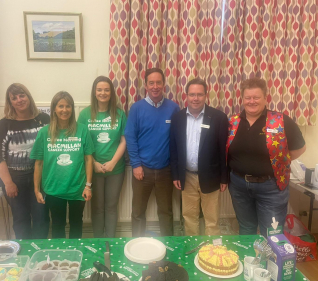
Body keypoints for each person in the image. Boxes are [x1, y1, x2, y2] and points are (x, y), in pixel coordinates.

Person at [227, 77, 306, 236]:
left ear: (265, 98)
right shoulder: (233, 122)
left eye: (256, 97)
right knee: (246, 229)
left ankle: (270, 261)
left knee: (272, 233)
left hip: (271, 188)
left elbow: (300, 148)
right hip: (239, 186)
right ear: (242, 99)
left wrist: (279, 161)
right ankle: (250, 259)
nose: (252, 101)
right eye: (248, 97)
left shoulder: (280, 121)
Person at [30, 91, 94, 239]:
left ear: (72, 109)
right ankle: (60, 258)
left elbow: (89, 159)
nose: (64, 110)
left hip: (77, 188)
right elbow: (38, 163)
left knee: (76, 224)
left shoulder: (82, 130)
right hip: (53, 189)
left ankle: (75, 257)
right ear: (54, 109)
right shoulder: (44, 133)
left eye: (68, 106)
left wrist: (88, 186)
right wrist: (36, 190)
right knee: (58, 225)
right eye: (60, 106)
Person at [170, 78, 229, 236]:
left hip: (211, 177)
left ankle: (211, 254)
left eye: (199, 94)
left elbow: (224, 150)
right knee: (189, 217)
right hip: (187, 176)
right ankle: (192, 250)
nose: (195, 98)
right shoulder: (178, 118)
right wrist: (175, 174)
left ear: (206, 95)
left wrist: (224, 178)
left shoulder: (219, 118)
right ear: (186, 96)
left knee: (212, 219)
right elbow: (173, 148)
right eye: (192, 94)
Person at [125, 68, 180, 237]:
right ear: (146, 85)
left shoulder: (173, 108)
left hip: (165, 170)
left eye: (158, 82)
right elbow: (130, 137)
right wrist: (136, 165)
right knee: (138, 212)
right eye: (151, 83)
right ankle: (137, 245)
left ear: (163, 84)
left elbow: (178, 139)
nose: (155, 86)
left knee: (166, 212)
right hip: (142, 170)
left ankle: (169, 246)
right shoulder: (137, 108)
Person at [0, 83, 50, 239]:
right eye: (14, 98)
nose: (19, 100)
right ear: (10, 102)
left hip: (40, 178)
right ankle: (25, 258)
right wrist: (8, 183)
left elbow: (53, 146)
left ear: (28, 96)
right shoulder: (4, 125)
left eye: (22, 95)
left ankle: (41, 256)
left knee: (41, 219)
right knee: (21, 220)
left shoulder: (44, 120)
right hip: (15, 180)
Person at [78, 76, 127, 238]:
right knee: (97, 207)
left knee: (112, 207)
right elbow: (82, 143)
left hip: (116, 168)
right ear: (94, 92)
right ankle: (98, 242)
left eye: (106, 90)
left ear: (111, 93)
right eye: (99, 89)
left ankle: (110, 241)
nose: (103, 93)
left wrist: (113, 162)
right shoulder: (85, 115)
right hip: (93, 168)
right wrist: (94, 163)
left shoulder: (119, 114)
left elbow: (124, 140)